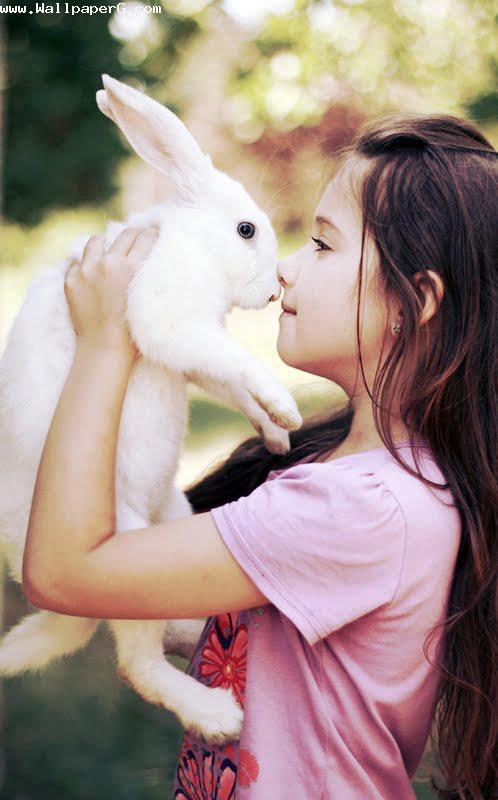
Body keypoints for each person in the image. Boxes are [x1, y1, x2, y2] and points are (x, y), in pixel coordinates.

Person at [22, 112, 496, 800]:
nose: (286, 267)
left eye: (322, 245)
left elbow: (64, 572)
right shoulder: (342, 477)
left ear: (413, 302)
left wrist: (105, 342)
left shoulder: (359, 509)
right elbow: (223, 631)